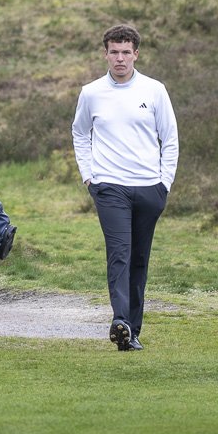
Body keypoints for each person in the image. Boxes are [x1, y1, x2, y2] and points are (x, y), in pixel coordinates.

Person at [72, 24, 178, 351]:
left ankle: (132, 331)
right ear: (105, 54)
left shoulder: (155, 90)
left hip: (149, 188)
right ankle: (120, 321)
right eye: (114, 52)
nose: (120, 58)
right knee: (119, 253)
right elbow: (80, 133)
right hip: (110, 187)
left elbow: (170, 139)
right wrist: (90, 177)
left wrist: (164, 185)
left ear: (136, 54)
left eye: (126, 52)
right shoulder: (91, 93)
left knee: (139, 260)